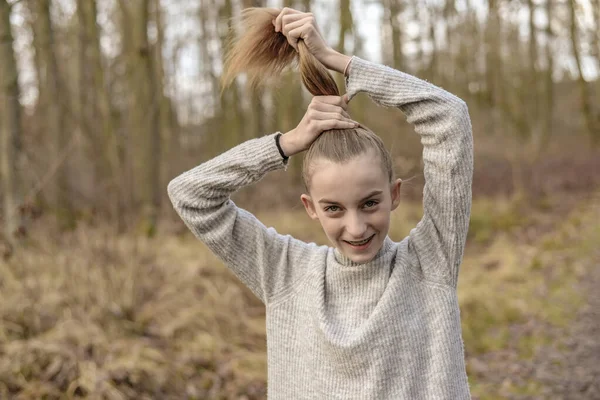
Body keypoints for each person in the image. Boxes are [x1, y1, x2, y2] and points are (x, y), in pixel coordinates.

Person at [167, 6, 473, 399]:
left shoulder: (430, 263)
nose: (357, 227)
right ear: (310, 207)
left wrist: (337, 60)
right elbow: (190, 195)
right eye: (334, 208)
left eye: (370, 203)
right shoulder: (285, 274)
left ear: (395, 195)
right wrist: (286, 143)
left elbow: (449, 116)